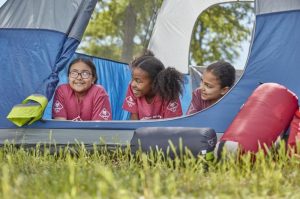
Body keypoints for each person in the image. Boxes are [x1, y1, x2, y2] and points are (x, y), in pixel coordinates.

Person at [122, 50, 184, 120]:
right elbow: (134, 122)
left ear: (155, 82)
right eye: (132, 79)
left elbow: (171, 125)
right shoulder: (133, 89)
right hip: (141, 130)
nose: (133, 84)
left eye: (138, 81)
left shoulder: (168, 92)